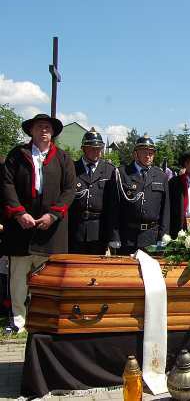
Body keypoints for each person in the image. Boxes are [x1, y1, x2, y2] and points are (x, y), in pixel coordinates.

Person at [1, 114, 75, 333]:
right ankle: (18, 319)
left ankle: (42, 318)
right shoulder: (17, 155)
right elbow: (6, 185)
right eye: (39, 127)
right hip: (21, 228)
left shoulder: (63, 158)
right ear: (31, 131)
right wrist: (18, 213)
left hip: (50, 231)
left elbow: (69, 190)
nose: (44, 130)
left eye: (47, 128)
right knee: (18, 278)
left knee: (46, 279)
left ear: (52, 133)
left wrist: (53, 215)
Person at [106, 134, 170, 255]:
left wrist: (163, 238)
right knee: (125, 273)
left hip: (151, 237)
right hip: (127, 237)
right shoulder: (121, 173)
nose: (148, 156)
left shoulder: (161, 176)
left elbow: (165, 211)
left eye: (151, 152)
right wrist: (114, 236)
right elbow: (113, 208)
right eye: (144, 152)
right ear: (135, 154)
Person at [68, 128, 115, 254]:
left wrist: (111, 234)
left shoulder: (109, 170)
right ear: (83, 148)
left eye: (99, 148)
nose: (96, 151)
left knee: (95, 269)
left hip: (99, 230)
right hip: (75, 228)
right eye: (92, 148)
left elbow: (113, 205)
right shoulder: (72, 168)